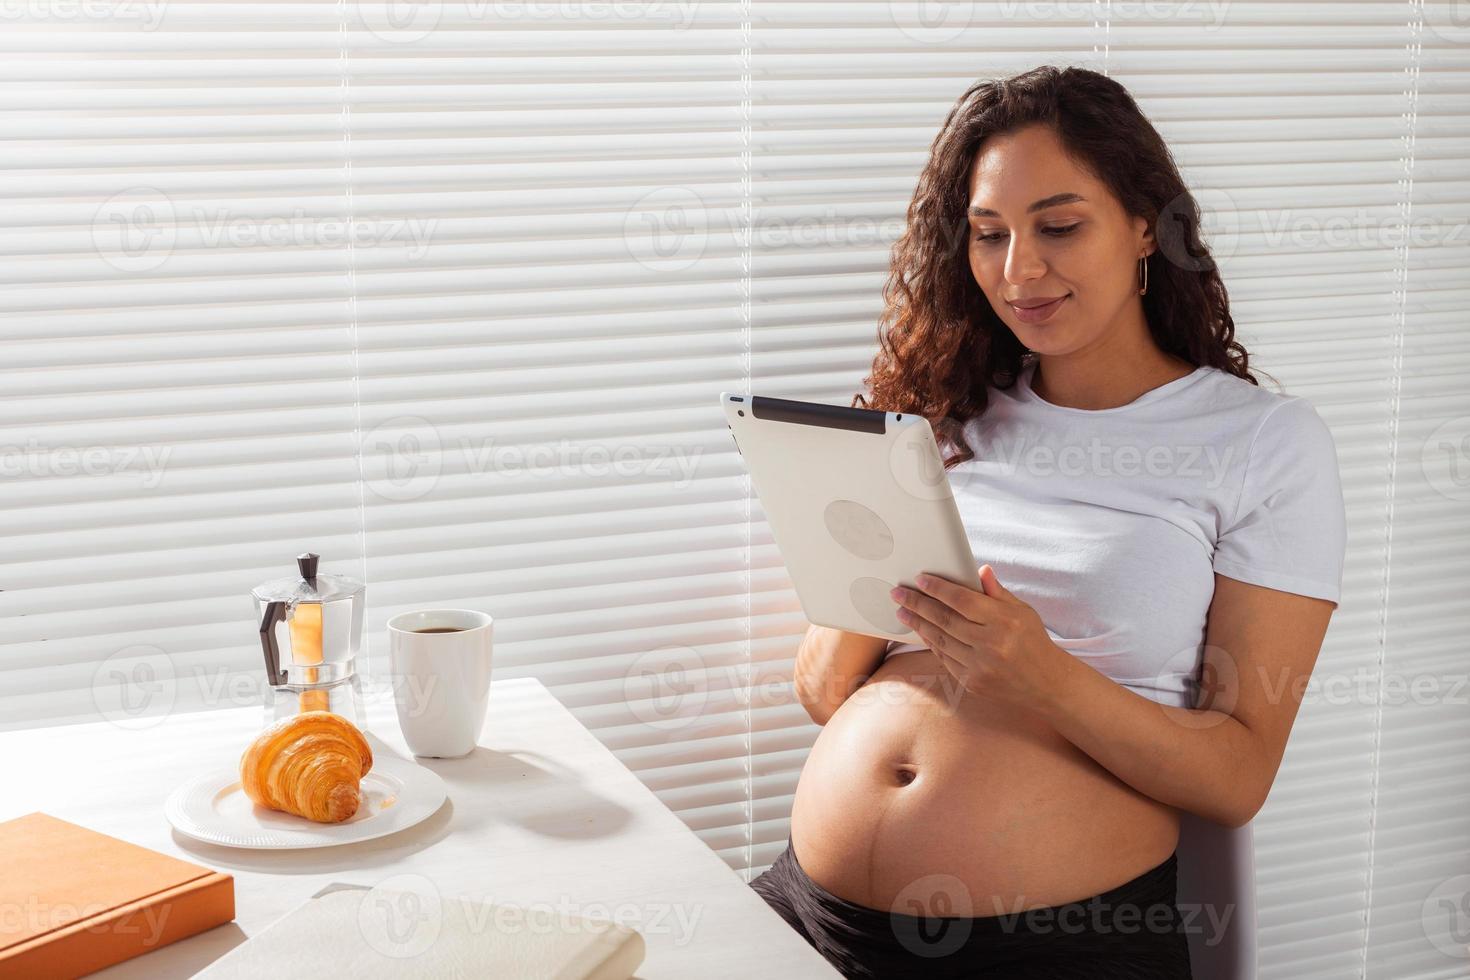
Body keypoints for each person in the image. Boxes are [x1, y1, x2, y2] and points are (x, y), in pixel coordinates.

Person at [749, 64, 1347, 980]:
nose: (1018, 269)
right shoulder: (943, 412)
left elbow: (1238, 775)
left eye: (1059, 226)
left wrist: (1041, 675)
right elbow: (827, 694)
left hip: (1050, 946)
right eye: (988, 235)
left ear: (1147, 225)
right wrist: (875, 547)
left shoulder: (1263, 442)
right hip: (811, 915)